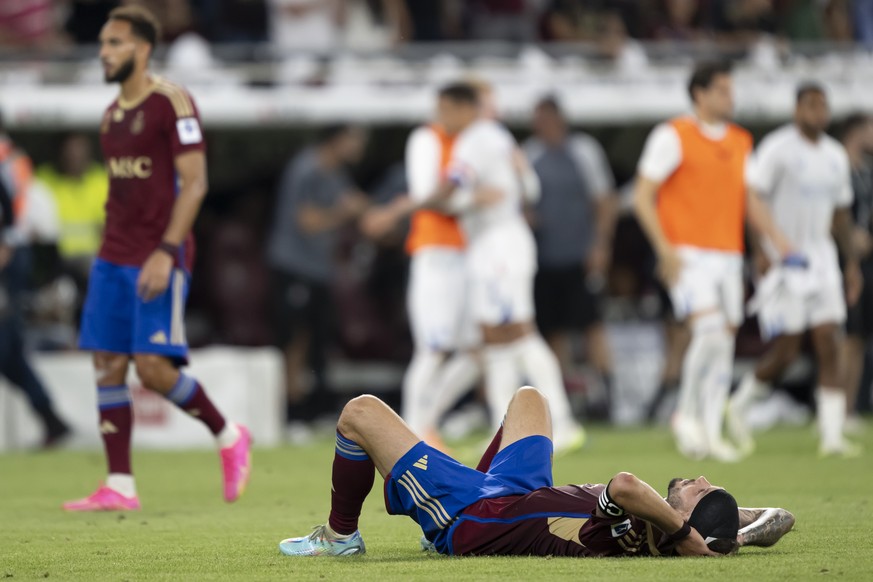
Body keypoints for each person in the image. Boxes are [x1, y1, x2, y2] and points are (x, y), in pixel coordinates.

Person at [63, 5, 251, 512]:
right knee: (106, 363)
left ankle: (230, 434)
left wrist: (167, 251)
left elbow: (196, 184)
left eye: (115, 43)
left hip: (158, 256)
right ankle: (119, 485)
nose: (104, 53)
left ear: (142, 49)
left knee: (152, 369)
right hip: (113, 256)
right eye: (102, 44)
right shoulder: (111, 116)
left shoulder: (173, 101)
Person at [276, 386, 795, 557]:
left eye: (701, 491)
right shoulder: (652, 526)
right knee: (530, 398)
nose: (699, 479)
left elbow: (626, 485)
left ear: (677, 522)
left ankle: (340, 536)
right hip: (518, 492)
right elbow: (773, 517)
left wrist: (686, 535)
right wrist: (736, 529)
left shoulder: (638, 527)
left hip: (475, 515)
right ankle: (458, 476)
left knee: (359, 413)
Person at [633, 60, 793, 462]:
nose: (730, 96)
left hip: (727, 254)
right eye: (722, 89)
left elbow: (750, 198)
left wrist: (772, 242)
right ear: (699, 94)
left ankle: (709, 428)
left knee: (723, 341)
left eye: (730, 89)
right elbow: (641, 196)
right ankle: (685, 414)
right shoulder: (674, 135)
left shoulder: (740, 140)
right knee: (707, 330)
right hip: (686, 254)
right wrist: (664, 249)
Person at [727, 84, 864, 458]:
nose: (817, 112)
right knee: (787, 350)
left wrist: (850, 262)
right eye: (810, 105)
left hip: (821, 260)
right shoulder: (777, 149)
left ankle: (832, 435)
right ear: (797, 109)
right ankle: (740, 405)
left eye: (823, 106)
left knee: (828, 340)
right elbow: (751, 198)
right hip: (784, 258)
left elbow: (841, 214)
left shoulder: (836, 155)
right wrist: (760, 249)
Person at [266, 124, 369, 432]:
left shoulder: (336, 174)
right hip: (294, 266)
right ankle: (290, 410)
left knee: (318, 337)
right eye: (354, 139)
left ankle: (314, 407)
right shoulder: (306, 169)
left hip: (320, 270)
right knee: (294, 337)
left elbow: (357, 204)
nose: (359, 147)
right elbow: (307, 222)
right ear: (337, 140)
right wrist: (343, 213)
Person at [523, 95, 617, 402]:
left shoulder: (583, 151)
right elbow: (522, 202)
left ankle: (606, 390)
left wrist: (600, 245)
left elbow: (603, 201)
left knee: (591, 324)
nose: (543, 125)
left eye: (548, 118)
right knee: (553, 329)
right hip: (544, 258)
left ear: (559, 119)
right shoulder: (530, 154)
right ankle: (560, 396)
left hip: (579, 254)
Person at [0, 112, 71, 448]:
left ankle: (50, 416)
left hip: (9, 256)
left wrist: (6, 244)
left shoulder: (7, 158)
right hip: (14, 253)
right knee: (8, 348)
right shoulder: (15, 157)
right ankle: (50, 417)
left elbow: (13, 207)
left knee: (5, 344)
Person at [36, 133, 108, 293]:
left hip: (88, 255)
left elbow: (106, 226)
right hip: (53, 256)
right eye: (69, 152)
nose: (74, 157)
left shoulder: (100, 180)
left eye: (79, 152)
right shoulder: (44, 178)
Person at [839, 113, 873, 423]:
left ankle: (849, 408)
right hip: (840, 263)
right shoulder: (837, 167)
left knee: (859, 337)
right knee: (845, 338)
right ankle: (835, 408)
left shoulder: (867, 172)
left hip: (863, 264)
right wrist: (850, 240)